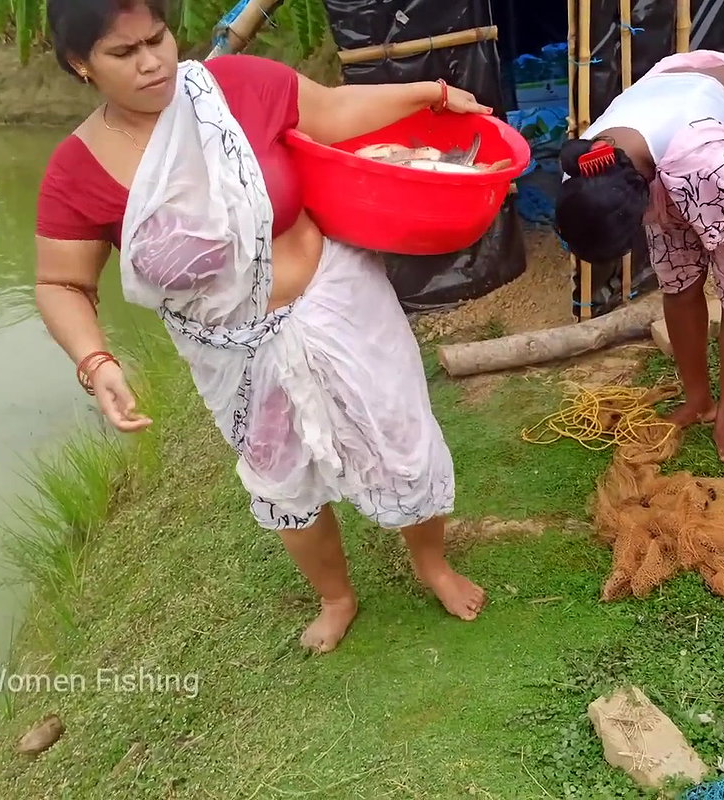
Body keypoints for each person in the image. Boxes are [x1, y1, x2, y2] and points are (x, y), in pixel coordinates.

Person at [33, 0, 495, 653]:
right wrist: (95, 360)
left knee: (397, 432)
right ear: (81, 64)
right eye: (123, 53)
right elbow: (62, 284)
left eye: (157, 39)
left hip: (336, 301)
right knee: (282, 472)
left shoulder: (233, 87)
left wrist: (431, 93)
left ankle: (433, 564)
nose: (151, 62)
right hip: (232, 351)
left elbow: (331, 110)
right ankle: (336, 597)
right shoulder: (76, 172)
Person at [555, 50, 724, 462]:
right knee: (678, 282)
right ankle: (699, 401)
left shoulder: (709, 162)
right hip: (671, 107)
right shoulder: (582, 167)